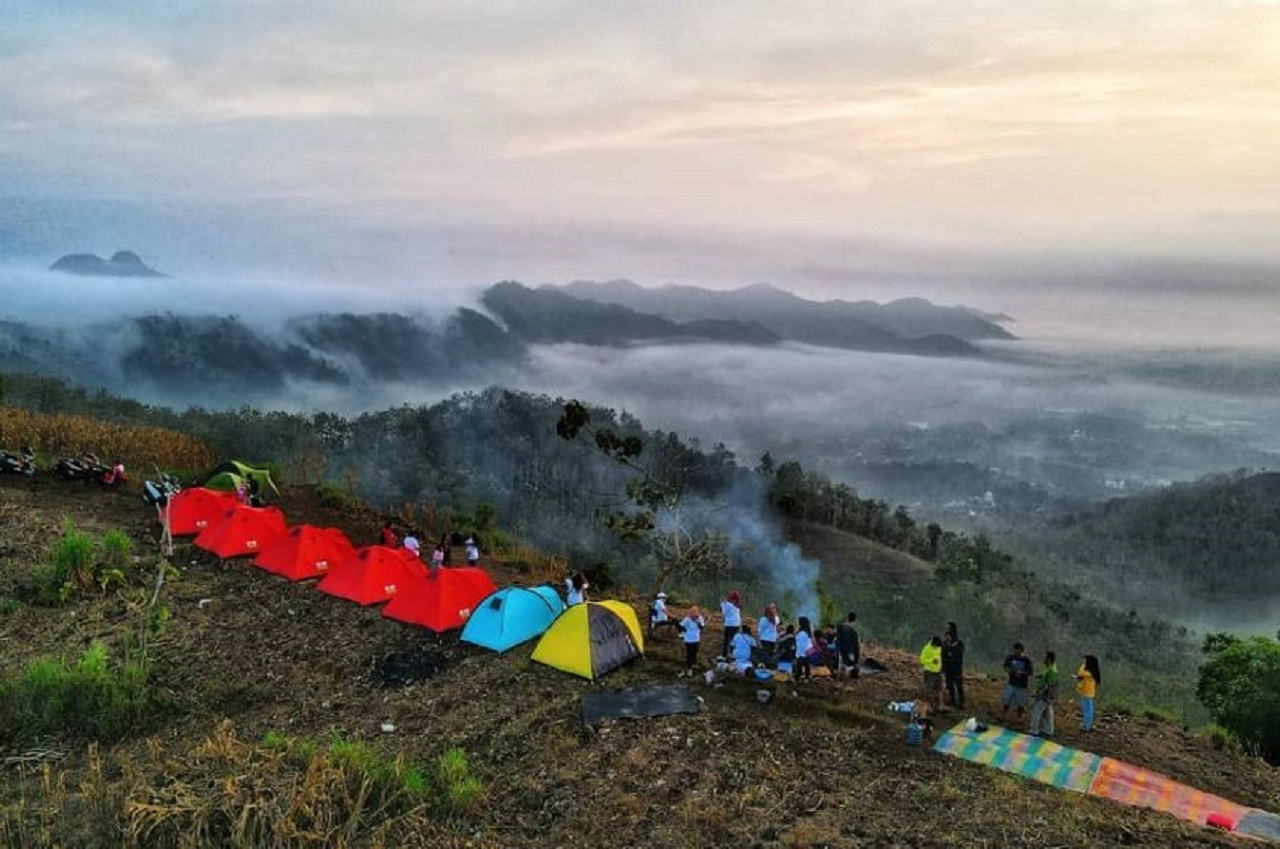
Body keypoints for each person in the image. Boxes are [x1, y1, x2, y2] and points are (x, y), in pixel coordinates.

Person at [1029, 651, 1060, 737]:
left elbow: (1052, 685)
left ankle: (1033, 730)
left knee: (1036, 712)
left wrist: (1049, 696)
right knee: (1047, 714)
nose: (1043, 659)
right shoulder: (1049, 668)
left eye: (1044, 657)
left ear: (1049, 659)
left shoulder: (1052, 670)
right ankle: (1048, 730)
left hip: (1045, 695)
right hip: (1045, 694)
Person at [1001, 642, 1035, 719]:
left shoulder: (1026, 660)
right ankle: (1003, 714)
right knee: (1007, 699)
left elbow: (1030, 672)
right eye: (1014, 649)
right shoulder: (1011, 657)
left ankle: (1019, 717)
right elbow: (1005, 667)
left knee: (1021, 703)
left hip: (1022, 685)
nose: (1014, 651)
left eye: (1016, 649)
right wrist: (1012, 672)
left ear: (1020, 650)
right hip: (1011, 683)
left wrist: (1022, 673)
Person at [941, 622, 965, 710]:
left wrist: (950, 653)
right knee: (950, 686)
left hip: (956, 668)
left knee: (959, 686)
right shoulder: (944, 644)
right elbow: (943, 655)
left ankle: (961, 702)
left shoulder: (959, 643)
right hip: (948, 669)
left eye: (948, 628)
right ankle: (953, 701)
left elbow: (958, 656)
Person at [1075, 655, 1102, 732]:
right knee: (1087, 708)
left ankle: (1087, 726)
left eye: (1085, 660)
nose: (1084, 661)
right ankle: (1087, 724)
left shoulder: (1089, 672)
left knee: (1087, 709)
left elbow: (1083, 675)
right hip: (1086, 692)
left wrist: (1079, 678)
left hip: (1087, 692)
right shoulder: (1093, 671)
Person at [679, 605, 707, 672]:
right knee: (689, 653)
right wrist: (685, 631)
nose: (694, 617)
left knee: (694, 652)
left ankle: (693, 664)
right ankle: (689, 666)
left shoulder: (700, 618)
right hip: (688, 639)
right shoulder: (687, 619)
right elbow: (681, 625)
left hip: (696, 638)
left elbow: (702, 627)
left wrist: (698, 623)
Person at [920, 636, 943, 710]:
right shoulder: (927, 648)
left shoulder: (939, 647)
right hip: (929, 672)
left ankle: (940, 704)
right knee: (928, 689)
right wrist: (932, 661)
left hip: (938, 672)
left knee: (940, 689)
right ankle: (928, 705)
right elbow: (922, 660)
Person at [837, 611, 861, 679]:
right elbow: (856, 645)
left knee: (841, 664)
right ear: (854, 620)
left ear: (847, 618)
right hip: (850, 652)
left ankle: (840, 676)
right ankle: (848, 677)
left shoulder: (840, 628)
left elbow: (837, 641)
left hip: (841, 650)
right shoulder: (853, 631)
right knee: (850, 665)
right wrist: (857, 656)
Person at [720, 590, 742, 658]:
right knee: (734, 639)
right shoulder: (737, 605)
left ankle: (725, 654)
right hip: (736, 623)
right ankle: (733, 654)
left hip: (729, 624)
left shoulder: (728, 605)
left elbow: (724, 613)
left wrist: (723, 603)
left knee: (727, 640)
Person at [794, 617, 816, 682]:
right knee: (807, 666)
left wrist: (797, 654)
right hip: (807, 653)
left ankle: (798, 679)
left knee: (799, 668)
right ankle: (806, 678)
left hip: (801, 653)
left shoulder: (801, 633)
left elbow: (800, 645)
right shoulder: (807, 633)